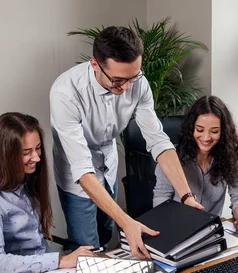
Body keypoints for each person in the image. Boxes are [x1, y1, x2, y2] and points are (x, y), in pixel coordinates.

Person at [50, 26, 203, 258]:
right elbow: (82, 169)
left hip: (107, 163)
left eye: (133, 77)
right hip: (77, 174)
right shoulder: (65, 93)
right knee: (87, 250)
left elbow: (158, 141)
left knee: (105, 233)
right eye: (118, 80)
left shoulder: (137, 83)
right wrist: (127, 221)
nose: (127, 87)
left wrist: (186, 197)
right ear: (95, 64)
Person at [0, 112, 95, 273]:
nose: (37, 158)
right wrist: (60, 261)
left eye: (37, 148)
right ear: (5, 154)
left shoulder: (24, 183)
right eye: (26, 152)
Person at [153, 96, 238, 233]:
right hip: (176, 229)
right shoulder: (171, 157)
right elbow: (161, 199)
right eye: (200, 130)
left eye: (214, 131)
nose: (206, 137)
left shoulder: (230, 157)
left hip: (210, 233)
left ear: (223, 132)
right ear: (191, 128)